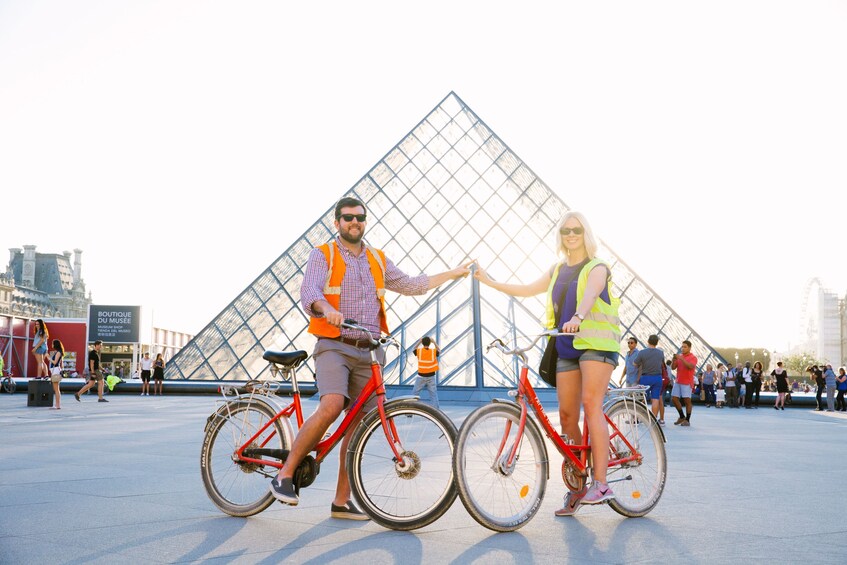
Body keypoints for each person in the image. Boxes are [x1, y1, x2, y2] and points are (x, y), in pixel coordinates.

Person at [269, 196, 472, 520]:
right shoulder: (323, 254)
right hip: (335, 345)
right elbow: (309, 291)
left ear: (365, 221)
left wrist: (453, 273)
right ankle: (284, 475)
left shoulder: (377, 259)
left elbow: (411, 284)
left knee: (358, 428)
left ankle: (341, 501)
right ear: (337, 222)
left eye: (360, 217)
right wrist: (328, 309)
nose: (354, 222)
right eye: (348, 217)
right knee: (333, 405)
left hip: (370, 351)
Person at [474, 210, 621, 517]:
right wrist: (490, 282)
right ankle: (579, 484)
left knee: (591, 404)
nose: (571, 235)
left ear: (586, 233)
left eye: (577, 230)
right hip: (566, 347)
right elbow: (527, 289)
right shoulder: (557, 269)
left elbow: (591, 294)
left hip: (596, 345)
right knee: (567, 417)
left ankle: (603, 483)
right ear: (560, 235)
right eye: (566, 230)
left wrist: (578, 317)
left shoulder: (598, 267)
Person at [633, 334, 664, 419]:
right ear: (657, 343)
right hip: (657, 378)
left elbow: (635, 363)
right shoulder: (660, 353)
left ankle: (637, 418)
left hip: (645, 378)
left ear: (648, 341)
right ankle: (654, 419)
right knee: (655, 399)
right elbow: (662, 363)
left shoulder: (642, 352)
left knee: (642, 399)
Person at [671, 340, 697, 426]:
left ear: (689, 348)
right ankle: (682, 416)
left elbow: (690, 367)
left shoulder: (693, 357)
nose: (683, 348)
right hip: (678, 381)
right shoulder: (680, 356)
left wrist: (681, 359)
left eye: (685, 347)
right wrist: (673, 360)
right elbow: (673, 368)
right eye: (682, 346)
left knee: (687, 401)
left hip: (687, 382)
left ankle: (687, 420)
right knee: (674, 399)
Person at [412, 336, 440, 409]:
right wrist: (434, 342)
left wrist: (419, 341)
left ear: (422, 343)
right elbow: (439, 350)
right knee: (433, 394)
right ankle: (437, 411)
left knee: (415, 393)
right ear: (430, 343)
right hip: (431, 376)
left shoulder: (419, 351)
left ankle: (410, 411)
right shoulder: (433, 351)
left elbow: (413, 348)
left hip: (421, 376)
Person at [48, 339, 64, 409]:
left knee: (56, 389)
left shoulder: (58, 352)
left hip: (56, 371)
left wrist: (49, 358)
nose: (52, 345)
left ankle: (57, 405)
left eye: (53, 344)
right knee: (56, 389)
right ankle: (57, 405)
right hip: (56, 370)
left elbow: (55, 362)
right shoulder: (59, 352)